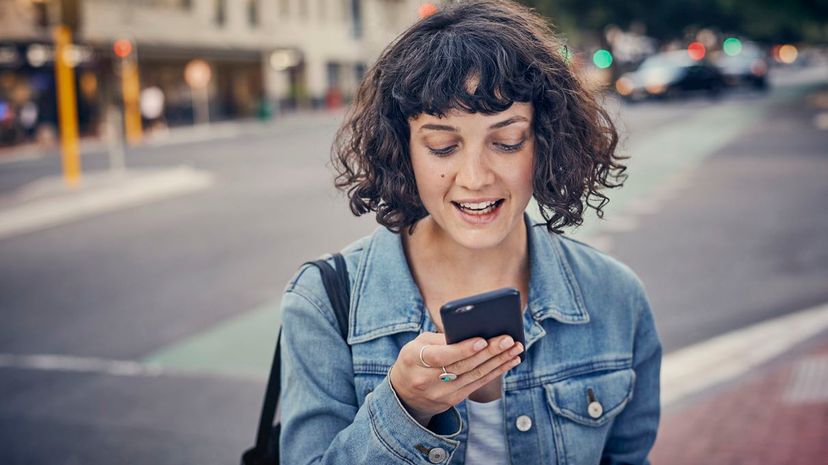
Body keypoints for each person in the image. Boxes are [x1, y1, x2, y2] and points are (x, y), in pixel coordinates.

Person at [278, 1, 661, 464]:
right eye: (442, 146)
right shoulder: (323, 303)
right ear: (404, 150)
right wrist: (405, 408)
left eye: (507, 141)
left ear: (546, 141)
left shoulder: (615, 296)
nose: (475, 178)